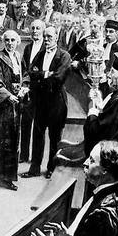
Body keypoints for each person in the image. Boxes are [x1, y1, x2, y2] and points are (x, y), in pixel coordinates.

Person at [24, 25, 71, 179]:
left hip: (56, 102)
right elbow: (31, 72)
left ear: (56, 37)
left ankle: (52, 168)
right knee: (37, 134)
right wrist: (45, 74)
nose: (46, 40)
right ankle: (34, 169)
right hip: (41, 101)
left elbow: (58, 78)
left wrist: (41, 77)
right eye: (45, 37)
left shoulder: (64, 56)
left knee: (55, 137)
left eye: (49, 37)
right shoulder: (40, 53)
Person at [0, 30, 25, 190]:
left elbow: (26, 75)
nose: (10, 43)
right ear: (3, 42)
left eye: (13, 40)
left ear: (17, 42)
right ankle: (2, 176)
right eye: (7, 40)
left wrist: (25, 88)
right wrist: (9, 96)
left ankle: (8, 174)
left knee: (14, 139)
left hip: (16, 103)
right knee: (5, 140)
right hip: (4, 105)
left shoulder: (17, 56)